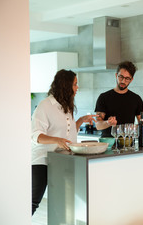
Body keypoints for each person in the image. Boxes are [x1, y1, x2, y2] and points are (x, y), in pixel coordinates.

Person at [31, 69, 97, 215]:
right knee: (33, 201)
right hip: (42, 159)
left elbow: (68, 133)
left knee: (62, 202)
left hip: (61, 160)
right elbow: (35, 135)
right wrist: (56, 140)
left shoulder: (67, 106)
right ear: (65, 86)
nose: (77, 87)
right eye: (75, 84)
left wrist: (80, 121)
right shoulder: (45, 105)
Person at [95, 61, 143, 137]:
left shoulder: (136, 99)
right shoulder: (104, 97)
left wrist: (135, 128)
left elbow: (142, 125)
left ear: (131, 80)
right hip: (108, 144)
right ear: (116, 75)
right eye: (121, 77)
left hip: (128, 144)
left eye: (127, 78)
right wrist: (108, 123)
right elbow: (98, 125)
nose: (123, 81)